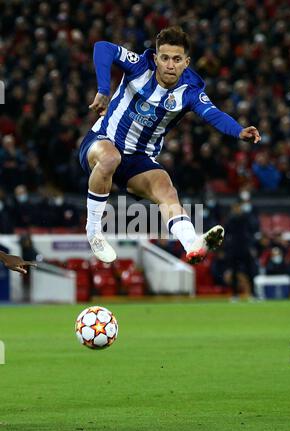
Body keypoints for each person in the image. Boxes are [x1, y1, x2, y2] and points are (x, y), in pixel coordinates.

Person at [79, 26, 261, 263]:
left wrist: (239, 131)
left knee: (167, 190)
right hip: (102, 142)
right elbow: (102, 48)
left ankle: (192, 243)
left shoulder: (190, 91)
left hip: (139, 159)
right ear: (156, 58)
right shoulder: (139, 66)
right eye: (164, 58)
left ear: (186, 62)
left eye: (176, 59)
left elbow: (213, 114)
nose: (170, 65)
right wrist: (103, 90)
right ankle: (93, 231)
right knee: (110, 157)